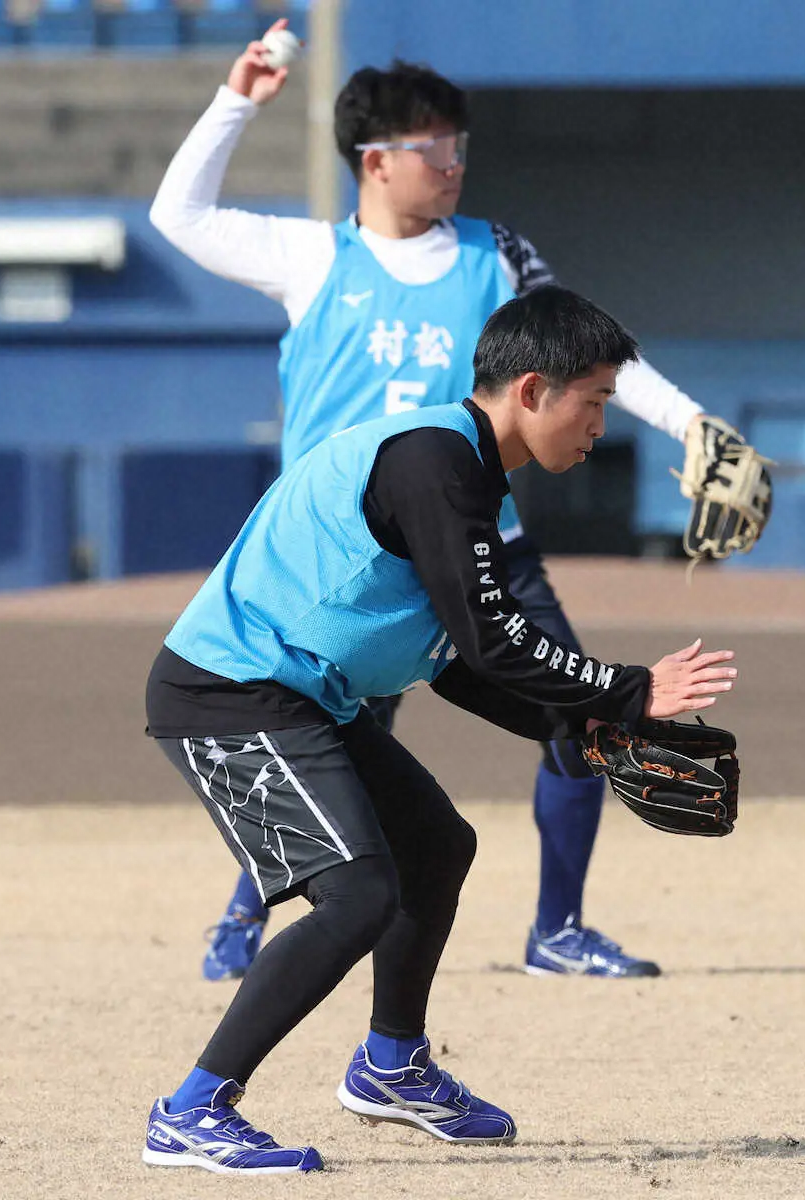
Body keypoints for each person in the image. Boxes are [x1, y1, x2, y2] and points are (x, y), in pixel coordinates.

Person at [149, 28, 750, 980]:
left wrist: (694, 426)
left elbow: (592, 358)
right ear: (374, 160)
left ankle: (558, 927)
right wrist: (241, 99)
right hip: (352, 567)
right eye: (436, 149)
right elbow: (177, 215)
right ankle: (248, 913)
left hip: (488, 539)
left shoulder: (495, 253)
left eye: (460, 146)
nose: (455, 165)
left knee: (573, 699)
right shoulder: (310, 256)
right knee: (318, 742)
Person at [142, 288, 738, 1174]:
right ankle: (191, 1109)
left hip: (304, 696)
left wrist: (581, 728)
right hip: (231, 692)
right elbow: (493, 639)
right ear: (532, 390)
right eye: (595, 400)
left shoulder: (462, 471)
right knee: (357, 894)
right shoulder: (435, 462)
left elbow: (456, 661)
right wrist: (625, 691)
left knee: (436, 848)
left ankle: (391, 1065)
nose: (601, 425)